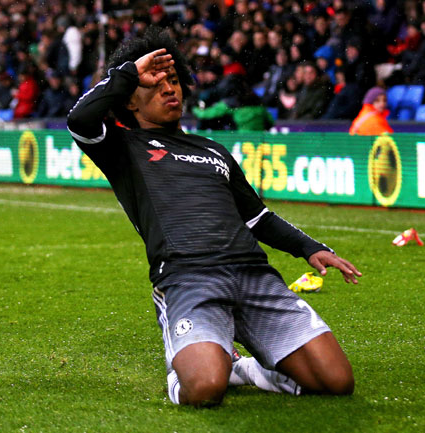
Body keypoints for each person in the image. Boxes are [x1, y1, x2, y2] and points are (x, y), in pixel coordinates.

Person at [67, 28, 361, 407]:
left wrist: (310, 248)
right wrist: (127, 73)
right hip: (189, 278)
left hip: (254, 275)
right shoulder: (121, 147)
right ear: (130, 102)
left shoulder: (214, 150)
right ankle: (184, 372)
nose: (169, 89)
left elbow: (257, 218)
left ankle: (249, 369)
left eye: (173, 81)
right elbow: (80, 119)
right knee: (205, 388)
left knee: (337, 381)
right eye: (154, 84)